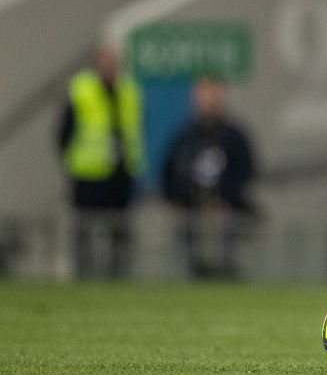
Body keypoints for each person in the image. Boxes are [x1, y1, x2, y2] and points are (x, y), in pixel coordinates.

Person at [57, 44, 144, 278]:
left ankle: (119, 275)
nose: (110, 66)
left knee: (119, 230)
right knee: (84, 229)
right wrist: (72, 163)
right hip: (89, 174)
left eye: (114, 61)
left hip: (120, 173)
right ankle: (83, 274)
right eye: (106, 60)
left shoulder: (128, 90)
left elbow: (132, 129)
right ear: (96, 63)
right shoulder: (82, 89)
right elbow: (64, 133)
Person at [162, 77, 257, 278]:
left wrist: (228, 199)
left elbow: (246, 170)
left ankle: (228, 273)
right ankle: (193, 274)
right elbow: (170, 169)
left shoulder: (234, 135)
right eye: (204, 93)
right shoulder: (185, 136)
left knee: (229, 236)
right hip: (191, 207)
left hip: (226, 208)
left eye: (213, 92)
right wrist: (175, 198)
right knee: (191, 246)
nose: (209, 99)